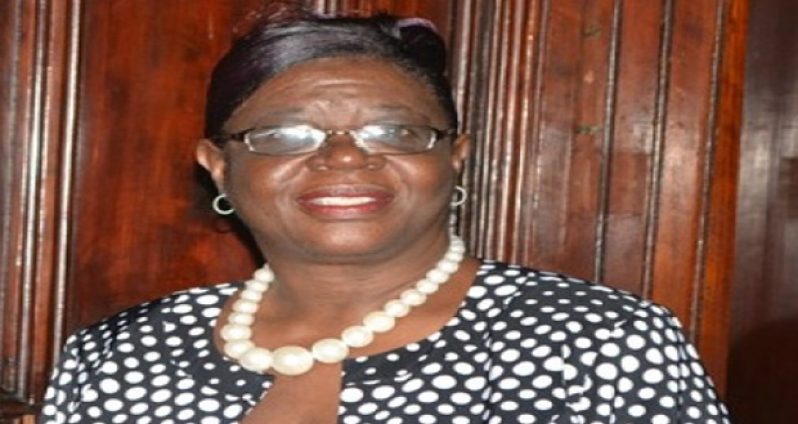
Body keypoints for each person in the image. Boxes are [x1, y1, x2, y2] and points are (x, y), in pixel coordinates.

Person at [38, 5, 731, 424]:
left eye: (393, 131)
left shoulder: (598, 342)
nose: (344, 157)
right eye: (285, 134)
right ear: (219, 166)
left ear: (454, 158)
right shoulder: (119, 354)